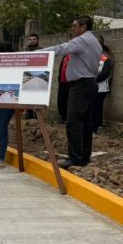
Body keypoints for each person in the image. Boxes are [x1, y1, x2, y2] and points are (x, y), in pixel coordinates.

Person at [41, 15, 103, 168]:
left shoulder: (81, 40)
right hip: (90, 83)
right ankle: (84, 157)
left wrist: (39, 53)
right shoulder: (95, 41)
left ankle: (74, 157)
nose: (72, 29)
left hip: (81, 85)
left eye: (75, 26)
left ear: (83, 27)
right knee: (86, 123)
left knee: (74, 121)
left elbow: (61, 48)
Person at [93, 39, 113, 134]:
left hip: (101, 88)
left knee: (97, 106)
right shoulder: (93, 58)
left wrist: (93, 79)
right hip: (93, 87)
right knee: (96, 106)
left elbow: (105, 73)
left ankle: (96, 126)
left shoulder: (106, 60)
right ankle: (97, 124)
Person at [57, 54, 71, 124]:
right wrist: (59, 78)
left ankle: (67, 118)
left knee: (68, 100)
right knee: (61, 99)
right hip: (62, 82)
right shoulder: (65, 56)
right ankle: (62, 116)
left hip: (70, 83)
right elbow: (61, 67)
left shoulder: (75, 56)